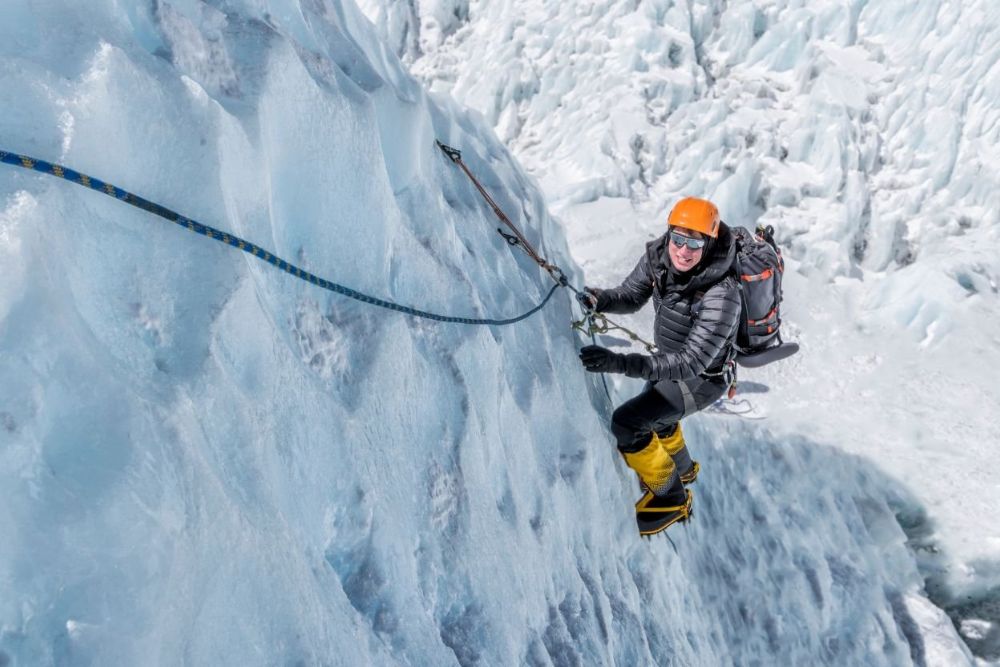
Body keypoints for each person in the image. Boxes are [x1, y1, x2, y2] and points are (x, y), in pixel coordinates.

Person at [578, 197, 741, 536]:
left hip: (701, 379)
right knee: (661, 421)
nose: (683, 250)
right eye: (678, 238)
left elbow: (690, 362)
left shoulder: (721, 295)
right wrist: (601, 300)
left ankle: (671, 495)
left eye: (694, 242)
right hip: (671, 362)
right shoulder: (658, 257)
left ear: (708, 243)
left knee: (628, 424)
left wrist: (618, 362)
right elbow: (632, 294)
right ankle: (684, 470)